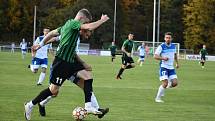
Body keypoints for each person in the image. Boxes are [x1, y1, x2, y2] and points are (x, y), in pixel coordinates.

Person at [24, 8, 109, 121]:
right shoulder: (73, 23)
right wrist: (102, 20)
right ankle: (30, 105)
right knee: (53, 91)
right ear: (81, 18)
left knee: (88, 76)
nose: (85, 25)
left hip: (71, 62)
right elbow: (89, 27)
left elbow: (52, 34)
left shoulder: (68, 28)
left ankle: (89, 106)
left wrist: (40, 44)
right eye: (85, 22)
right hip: (61, 62)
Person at [37, 31, 109, 119]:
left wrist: (44, 43)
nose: (88, 36)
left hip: (71, 66)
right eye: (88, 33)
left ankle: (97, 109)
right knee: (54, 92)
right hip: (61, 66)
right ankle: (41, 103)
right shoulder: (71, 34)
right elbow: (56, 38)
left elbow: (56, 39)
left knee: (86, 85)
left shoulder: (76, 37)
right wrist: (42, 44)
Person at [154, 32, 179, 103]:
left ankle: (164, 88)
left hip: (171, 68)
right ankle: (157, 98)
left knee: (175, 83)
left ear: (171, 39)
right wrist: (163, 58)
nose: (168, 39)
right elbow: (155, 56)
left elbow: (175, 55)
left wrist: (177, 63)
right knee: (165, 83)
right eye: (167, 38)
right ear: (164, 38)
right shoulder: (161, 46)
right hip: (163, 67)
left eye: (169, 38)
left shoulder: (173, 46)